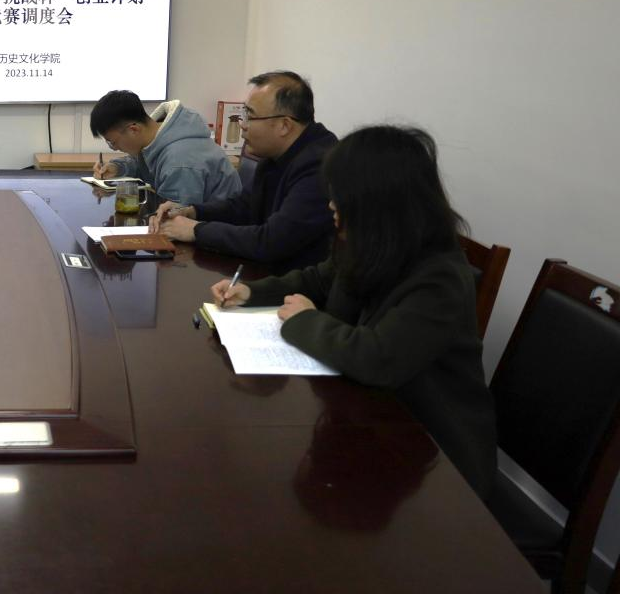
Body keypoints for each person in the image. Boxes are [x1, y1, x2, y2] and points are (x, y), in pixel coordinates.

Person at [210, 125, 496, 499]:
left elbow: (378, 358)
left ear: (377, 201)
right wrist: (252, 291)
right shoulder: (373, 242)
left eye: (340, 195)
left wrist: (305, 320)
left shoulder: (440, 277)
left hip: (433, 450)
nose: (331, 204)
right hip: (371, 416)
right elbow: (319, 279)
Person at [152, 71, 338, 272]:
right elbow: (244, 207)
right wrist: (193, 211)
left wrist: (196, 230)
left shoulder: (319, 165)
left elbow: (272, 241)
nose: (242, 124)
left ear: (284, 125)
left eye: (250, 115)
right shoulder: (275, 154)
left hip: (298, 284)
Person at [89, 90, 240, 209]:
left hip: (216, 230)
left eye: (113, 142)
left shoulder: (180, 162)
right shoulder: (159, 136)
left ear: (133, 130)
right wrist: (117, 168)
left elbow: (172, 218)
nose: (115, 149)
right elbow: (143, 162)